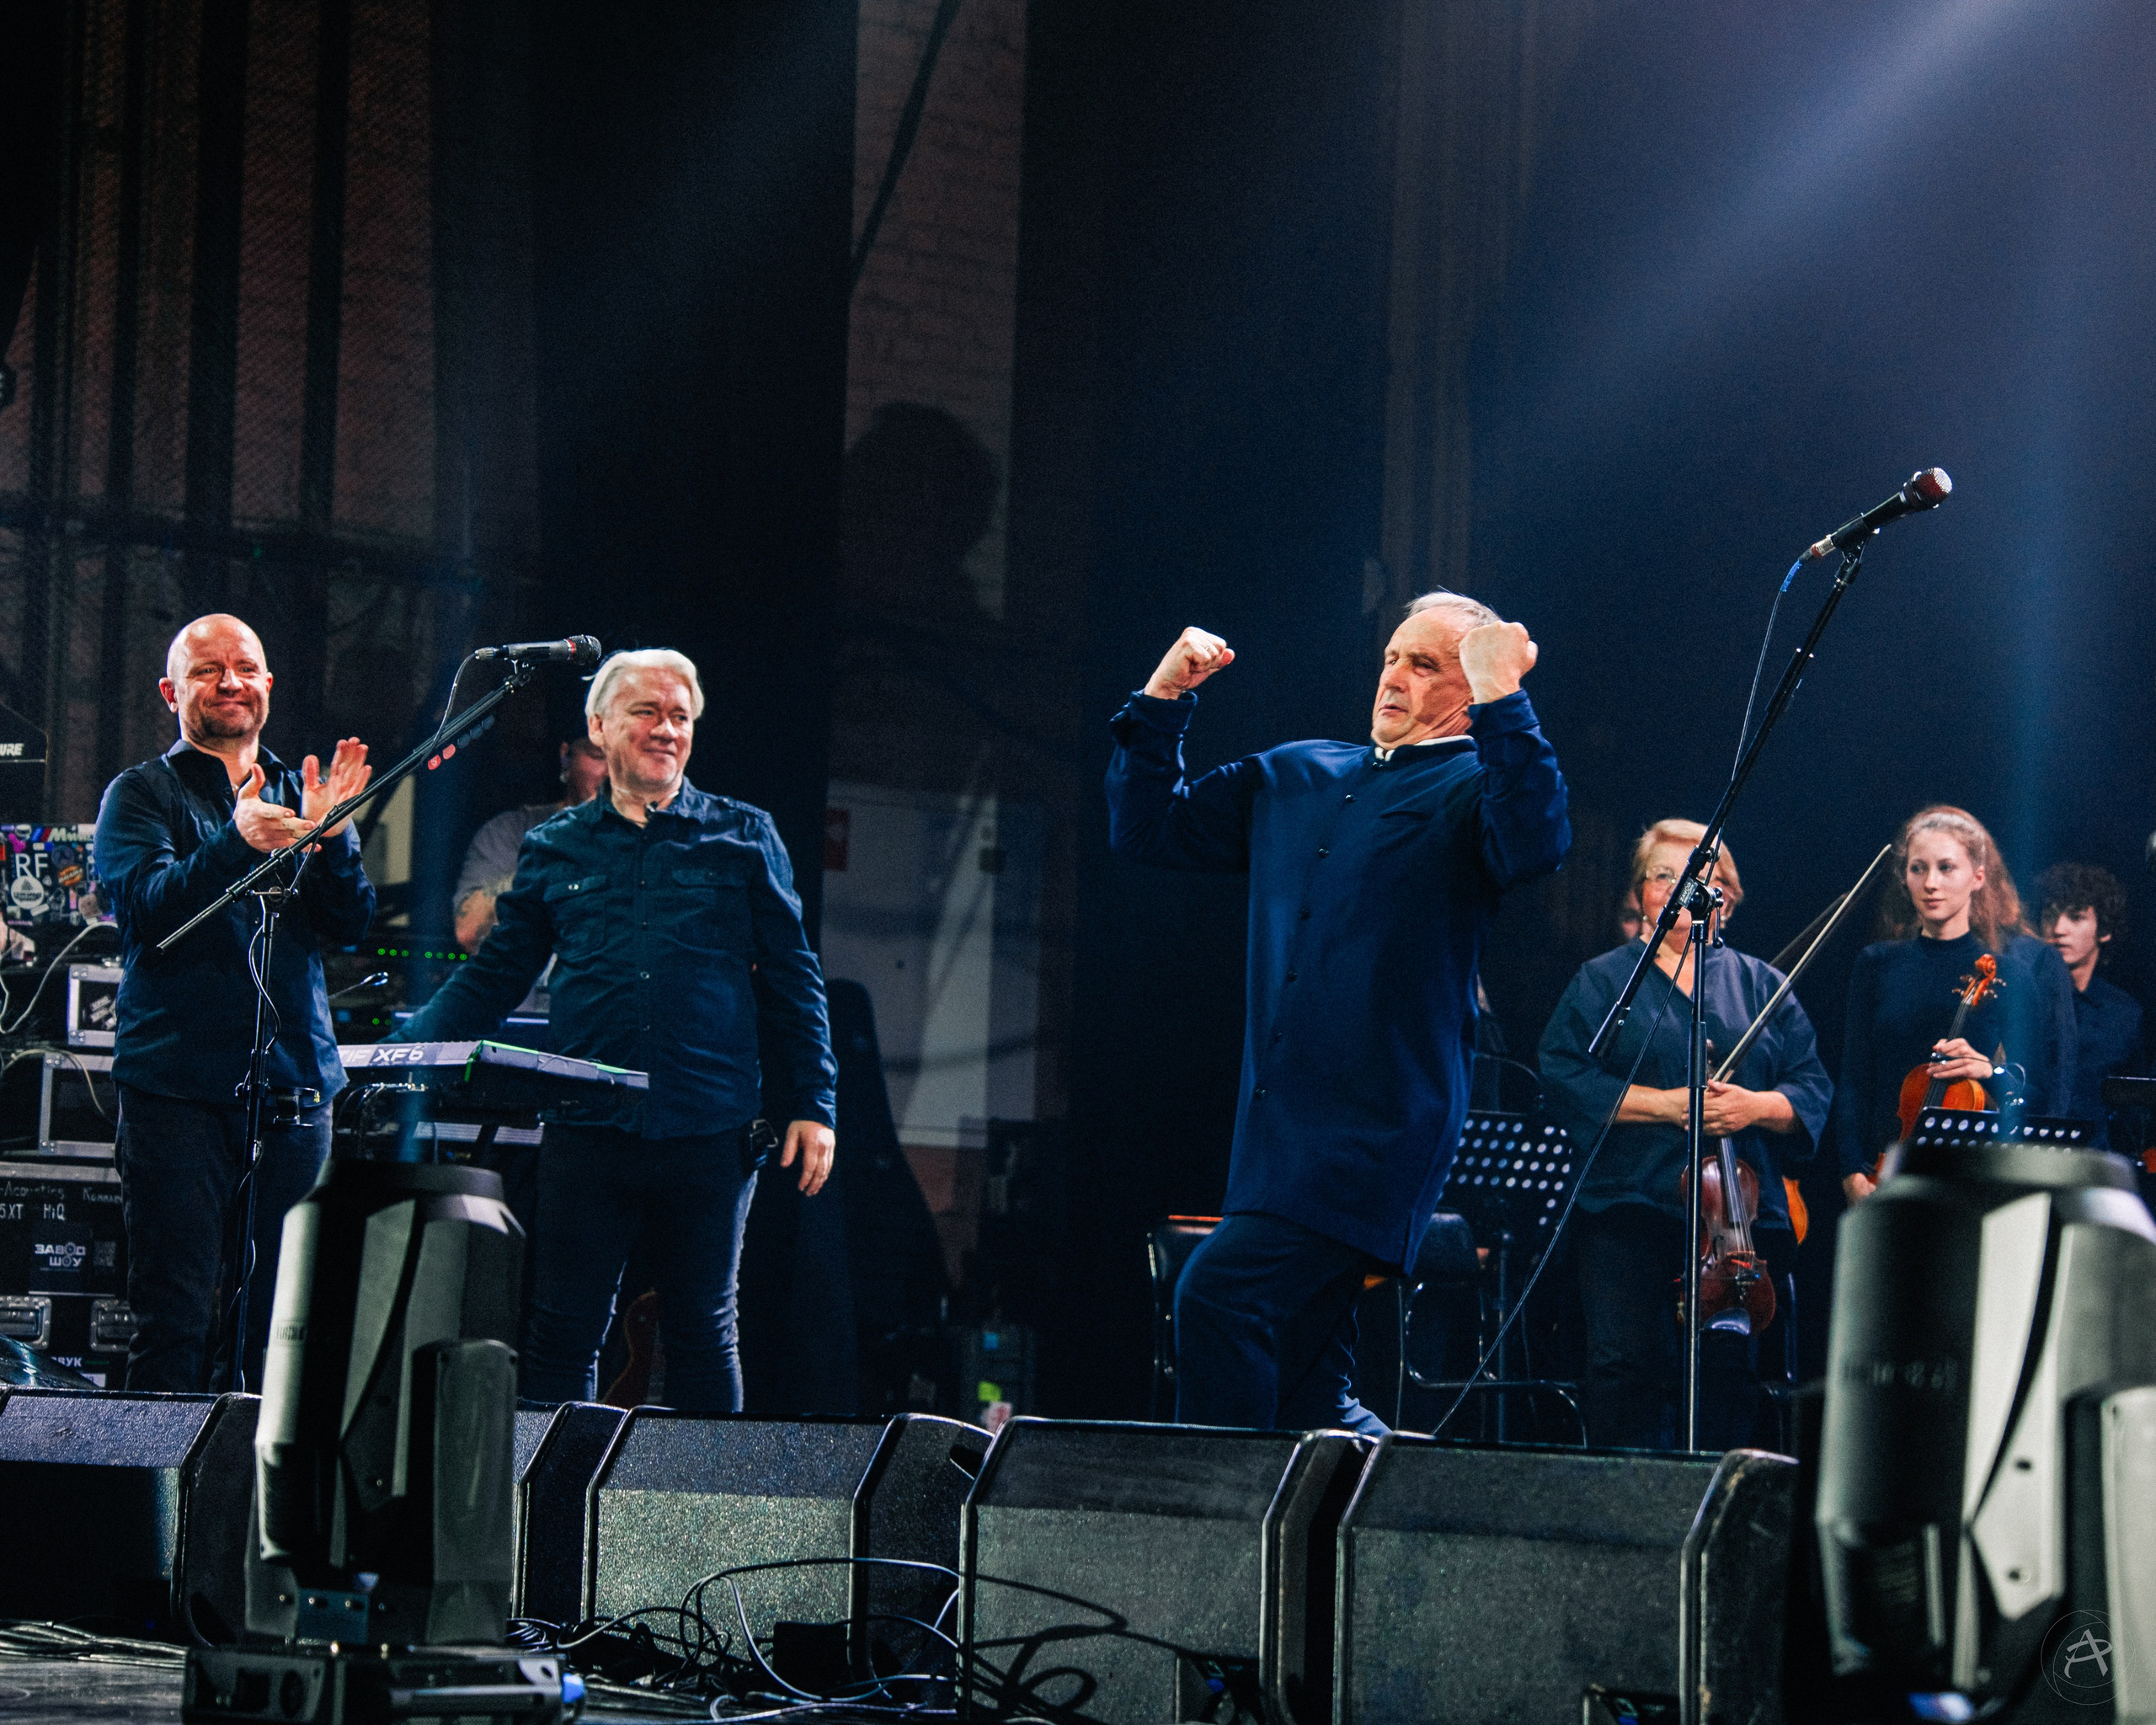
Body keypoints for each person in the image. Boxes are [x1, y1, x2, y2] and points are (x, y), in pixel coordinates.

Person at [1106, 590, 1570, 1433]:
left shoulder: (1472, 786)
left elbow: (1536, 838)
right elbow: (1149, 829)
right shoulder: (1300, 771)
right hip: (1275, 1134)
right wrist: (1164, 696)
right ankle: (1412, 1523)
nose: (1393, 676)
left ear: (1467, 692)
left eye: (1423, 664)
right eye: (1392, 656)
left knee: (1216, 1291)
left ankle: (1216, 1534)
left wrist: (1506, 692)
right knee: (1309, 1391)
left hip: (1376, 1128)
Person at [388, 648, 837, 1411]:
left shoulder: (744, 836)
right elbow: (496, 975)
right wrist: (407, 1054)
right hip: (587, 1128)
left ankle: (704, 1525)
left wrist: (814, 1104)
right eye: (647, 713)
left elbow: (796, 982)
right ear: (599, 727)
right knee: (563, 1331)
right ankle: (556, 1519)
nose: (667, 730)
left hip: (709, 1127)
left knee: (703, 1329)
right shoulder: (555, 847)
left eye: (680, 717)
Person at [92, 613, 374, 1391]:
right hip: (176, 1092)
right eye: (209, 670)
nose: (230, 682)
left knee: (282, 1325)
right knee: (175, 1314)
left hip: (294, 1092)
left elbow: (350, 924)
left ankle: (254, 1510)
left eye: (245, 667)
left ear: (269, 684)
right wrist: (234, 843)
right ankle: (157, 1509)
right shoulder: (141, 794)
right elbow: (151, 914)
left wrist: (335, 836)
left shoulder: (299, 790)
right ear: (170, 691)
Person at [1538, 821, 1831, 1450]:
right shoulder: (1602, 981)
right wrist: (1668, 1106)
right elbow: (1565, 1073)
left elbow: (1811, 1088)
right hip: (1629, 1207)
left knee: (1726, 1370)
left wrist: (1755, 1106)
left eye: (1697, 876)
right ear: (1642, 893)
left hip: (1734, 1224)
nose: (1678, 888)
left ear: (1724, 895)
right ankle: (1620, 1511)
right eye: (1662, 876)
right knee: (1623, 1365)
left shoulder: (1761, 984)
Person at [1835, 806, 2077, 1201]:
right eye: (1918, 868)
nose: (1931, 883)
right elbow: (1854, 1081)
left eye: (1947, 868)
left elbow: (2039, 1095)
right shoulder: (1876, 964)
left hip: (1972, 1177)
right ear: (1904, 877)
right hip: (1884, 1172)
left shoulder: (2010, 975)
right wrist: (1851, 1173)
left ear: (1977, 877)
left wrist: (1990, 1072)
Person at [454, 733, 610, 952]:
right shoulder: (511, 832)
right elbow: (469, 931)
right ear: (566, 756)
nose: (612, 772)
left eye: (623, 758)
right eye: (599, 755)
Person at [2037, 862, 2146, 1151]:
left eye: (2075, 917)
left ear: (2104, 930)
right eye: (2050, 915)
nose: (2058, 929)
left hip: (2096, 1160)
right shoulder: (2025, 997)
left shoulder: (2125, 1013)